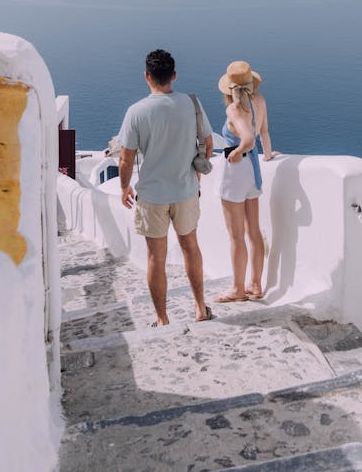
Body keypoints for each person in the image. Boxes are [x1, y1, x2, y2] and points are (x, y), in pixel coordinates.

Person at [118, 48, 214, 326]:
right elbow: (208, 144)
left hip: (152, 197)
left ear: (147, 77)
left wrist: (124, 188)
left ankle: (162, 319)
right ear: (174, 75)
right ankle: (199, 308)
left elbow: (126, 158)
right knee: (191, 249)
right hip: (185, 191)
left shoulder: (136, 112)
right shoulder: (191, 103)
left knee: (155, 258)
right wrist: (196, 175)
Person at [215, 60, 281, 302]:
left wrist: (236, 151)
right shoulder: (259, 101)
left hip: (235, 171)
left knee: (236, 236)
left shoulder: (233, 109)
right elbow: (262, 133)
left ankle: (237, 289)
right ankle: (255, 284)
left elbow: (247, 139)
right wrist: (268, 155)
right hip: (253, 171)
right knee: (253, 231)